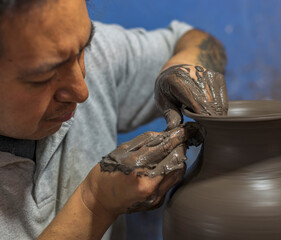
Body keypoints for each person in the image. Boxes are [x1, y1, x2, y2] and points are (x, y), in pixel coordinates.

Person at [0, 0, 228, 239]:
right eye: (43, 78)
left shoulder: (84, 47)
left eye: (83, 50)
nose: (81, 91)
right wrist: (93, 203)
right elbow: (93, 203)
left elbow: (197, 40)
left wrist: (180, 71)